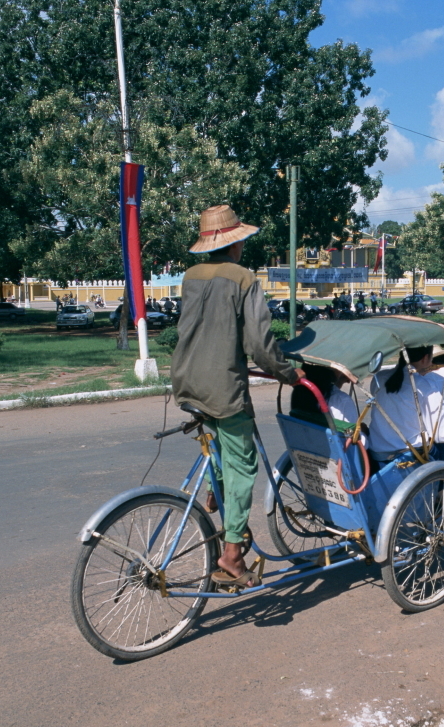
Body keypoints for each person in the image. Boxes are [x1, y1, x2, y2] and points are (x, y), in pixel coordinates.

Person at [171, 204, 304, 588]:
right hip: (222, 386)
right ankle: (231, 555)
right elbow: (260, 344)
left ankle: (217, 493)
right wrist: (287, 373)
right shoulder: (243, 278)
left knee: (218, 442)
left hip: (186, 379)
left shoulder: (191, 276)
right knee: (244, 464)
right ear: (236, 243)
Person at [368, 346, 444, 477]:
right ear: (425, 358)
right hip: (410, 456)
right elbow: (443, 434)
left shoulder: (379, 378)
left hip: (377, 453)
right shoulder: (427, 386)